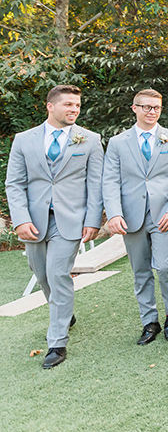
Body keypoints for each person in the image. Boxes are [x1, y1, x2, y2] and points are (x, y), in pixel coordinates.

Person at [5, 85, 103, 368]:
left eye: (77, 106)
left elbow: (94, 184)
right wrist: (20, 219)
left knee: (58, 272)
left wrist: (92, 220)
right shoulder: (24, 140)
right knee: (41, 272)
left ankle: (57, 342)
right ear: (50, 106)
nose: (74, 110)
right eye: (68, 105)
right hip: (34, 219)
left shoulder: (90, 140)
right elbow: (15, 183)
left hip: (70, 219)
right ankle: (65, 311)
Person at [103, 89, 168, 345]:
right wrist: (114, 213)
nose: (152, 112)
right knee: (140, 270)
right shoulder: (118, 142)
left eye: (156, 108)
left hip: (164, 213)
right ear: (134, 108)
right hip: (131, 216)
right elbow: (110, 180)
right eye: (146, 107)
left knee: (165, 266)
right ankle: (149, 321)